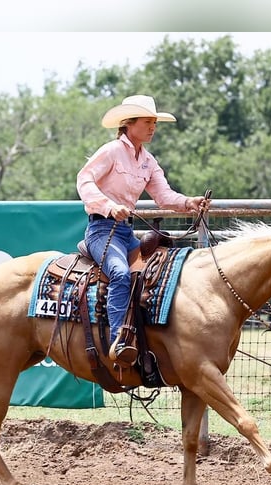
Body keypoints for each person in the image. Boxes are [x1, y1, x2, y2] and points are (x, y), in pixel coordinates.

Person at [76, 94, 210, 368]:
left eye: (154, 122)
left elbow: (164, 195)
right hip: (102, 230)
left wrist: (189, 202)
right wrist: (109, 205)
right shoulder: (111, 151)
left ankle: (148, 340)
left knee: (153, 277)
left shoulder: (147, 160)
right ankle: (118, 342)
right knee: (120, 274)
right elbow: (84, 180)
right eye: (147, 121)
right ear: (129, 124)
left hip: (125, 233)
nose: (153, 127)